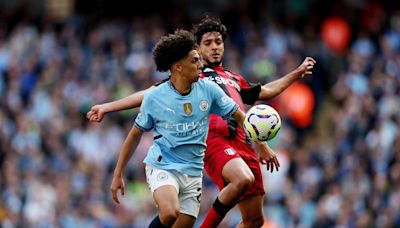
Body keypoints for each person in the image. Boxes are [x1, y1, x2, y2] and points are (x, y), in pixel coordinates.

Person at [89, 17, 316, 227]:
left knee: (254, 220)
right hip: (215, 139)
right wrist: (107, 107)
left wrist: (296, 73)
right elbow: (148, 94)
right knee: (241, 179)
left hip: (243, 143)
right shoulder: (194, 76)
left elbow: (265, 91)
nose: (215, 46)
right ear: (197, 49)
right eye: (208, 43)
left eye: (219, 42)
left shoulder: (233, 78)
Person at [110, 29, 247, 228]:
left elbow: (239, 116)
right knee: (169, 213)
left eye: (200, 60)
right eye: (195, 61)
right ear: (178, 67)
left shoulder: (209, 89)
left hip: (193, 171)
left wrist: (261, 141)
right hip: (163, 165)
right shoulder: (155, 97)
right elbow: (134, 135)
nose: (201, 65)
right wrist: (117, 173)